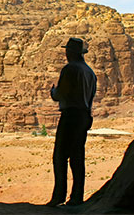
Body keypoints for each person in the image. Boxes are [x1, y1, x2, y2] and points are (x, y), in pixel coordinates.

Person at [46, 37, 97, 207]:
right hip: (84, 116)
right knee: (77, 156)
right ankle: (77, 197)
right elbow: (90, 98)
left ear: (71, 53)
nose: (65, 54)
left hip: (70, 115)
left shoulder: (70, 69)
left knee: (60, 156)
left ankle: (59, 196)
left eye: (67, 51)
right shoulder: (90, 72)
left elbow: (61, 94)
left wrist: (53, 92)